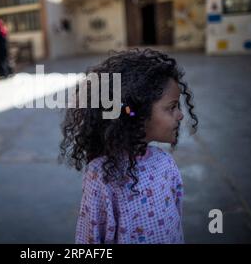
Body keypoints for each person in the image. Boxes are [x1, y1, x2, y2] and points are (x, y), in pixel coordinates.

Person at [59, 48, 199, 244]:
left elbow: (175, 222)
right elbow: (89, 238)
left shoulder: (166, 163)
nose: (181, 115)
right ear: (137, 114)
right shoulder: (101, 175)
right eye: (172, 107)